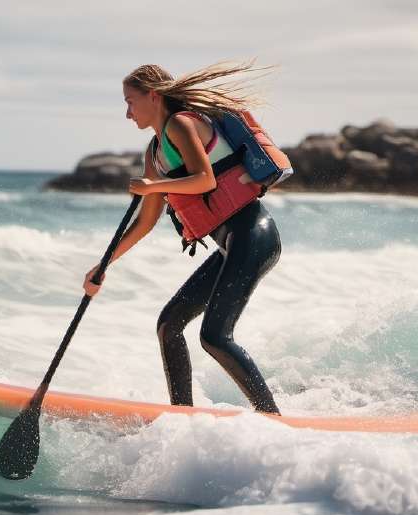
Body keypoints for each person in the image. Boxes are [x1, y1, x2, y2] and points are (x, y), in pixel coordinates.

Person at [84, 61, 281, 414]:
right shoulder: (154, 153)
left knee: (215, 337)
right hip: (230, 245)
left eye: (131, 101)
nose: (127, 113)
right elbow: (145, 222)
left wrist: (154, 186)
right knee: (169, 324)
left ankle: (273, 418)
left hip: (254, 235)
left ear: (154, 97)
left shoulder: (182, 124)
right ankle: (183, 416)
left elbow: (205, 179)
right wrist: (104, 265)